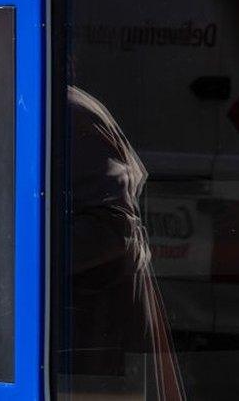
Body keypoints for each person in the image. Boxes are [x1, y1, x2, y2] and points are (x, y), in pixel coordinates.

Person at [67, 85, 185, 401]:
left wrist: (15, 253)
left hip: (95, 330)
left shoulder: (66, 112)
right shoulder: (64, 109)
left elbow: (115, 230)